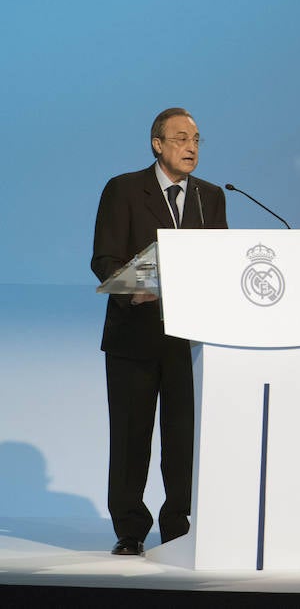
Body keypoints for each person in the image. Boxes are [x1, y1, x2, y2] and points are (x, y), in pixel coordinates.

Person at [91, 108, 228, 556]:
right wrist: (137, 290)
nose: (191, 148)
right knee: (131, 437)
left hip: (187, 340)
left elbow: (220, 262)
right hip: (134, 336)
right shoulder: (125, 189)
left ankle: (177, 525)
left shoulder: (211, 196)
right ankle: (130, 530)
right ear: (157, 143)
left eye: (197, 140)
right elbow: (105, 259)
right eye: (181, 138)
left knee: (181, 436)